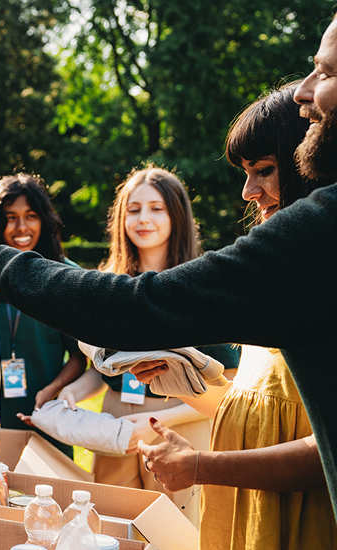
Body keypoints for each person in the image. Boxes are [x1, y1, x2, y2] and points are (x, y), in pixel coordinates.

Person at [0, 14, 337, 520]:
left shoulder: (309, 240)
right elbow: (266, 411)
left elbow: (139, 306)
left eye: (326, 73)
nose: (306, 90)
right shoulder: (291, 259)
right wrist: (195, 376)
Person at [132, 82, 335, 549]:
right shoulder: (281, 272)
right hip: (250, 519)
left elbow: (324, 450)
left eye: (264, 170)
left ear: (312, 163)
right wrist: (179, 379)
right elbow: (263, 410)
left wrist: (201, 466)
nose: (248, 192)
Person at [51, 166, 239, 523]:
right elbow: (105, 369)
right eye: (134, 209)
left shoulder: (202, 284)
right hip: (114, 423)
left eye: (156, 208)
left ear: (177, 215)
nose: (143, 219)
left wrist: (153, 420)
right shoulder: (107, 283)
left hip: (179, 420)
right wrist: (73, 390)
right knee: (110, 524)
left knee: (176, 530)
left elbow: (229, 383)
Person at [0, 174, 85, 458]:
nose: (21, 227)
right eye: (10, 217)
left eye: (31, 216)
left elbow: (81, 356)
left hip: (43, 414)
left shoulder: (65, 275)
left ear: (43, 220)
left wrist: (53, 390)